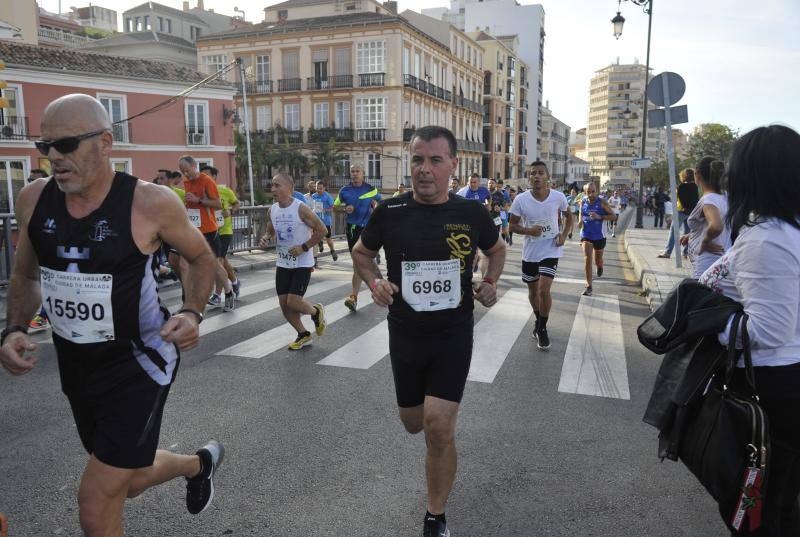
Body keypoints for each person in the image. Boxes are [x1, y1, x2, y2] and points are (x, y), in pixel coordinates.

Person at [0, 94, 224, 536]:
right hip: (78, 366)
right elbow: (25, 273)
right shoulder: (33, 199)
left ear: (105, 142)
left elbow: (201, 259)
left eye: (66, 144)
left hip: (140, 363)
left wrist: (193, 312)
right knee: (130, 479)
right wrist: (13, 329)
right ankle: (198, 465)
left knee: (96, 501)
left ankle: (195, 466)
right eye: (45, 146)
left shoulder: (149, 203)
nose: (53, 158)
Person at [352, 126, 505, 537]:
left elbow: (497, 250)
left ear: (453, 165)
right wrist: (374, 283)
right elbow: (361, 253)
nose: (425, 169)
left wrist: (490, 282)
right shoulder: (389, 212)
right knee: (414, 423)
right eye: (418, 159)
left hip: (452, 333)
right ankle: (440, 442)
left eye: (435, 160)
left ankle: (435, 514)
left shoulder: (471, 213)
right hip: (404, 333)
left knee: (439, 426)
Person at [697, 125, 800, 537]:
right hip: (783, 382)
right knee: (777, 505)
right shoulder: (786, 230)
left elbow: (770, 330)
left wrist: (711, 322)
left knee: (758, 512)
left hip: (768, 390)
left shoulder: (768, 240)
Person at [259, 174, 328, 350]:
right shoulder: (272, 209)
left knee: (293, 302)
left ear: (289, 188)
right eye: (272, 185)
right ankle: (303, 334)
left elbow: (322, 230)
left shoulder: (301, 209)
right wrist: (267, 237)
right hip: (283, 263)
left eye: (277, 185)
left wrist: (304, 247)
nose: (273, 189)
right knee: (284, 305)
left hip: (302, 263)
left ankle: (316, 311)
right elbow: (271, 227)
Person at [509, 161, 573, 349]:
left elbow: (569, 216)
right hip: (531, 252)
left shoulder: (558, 197)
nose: (536, 176)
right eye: (533, 173)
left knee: (544, 290)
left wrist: (563, 235)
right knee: (533, 291)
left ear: (547, 177)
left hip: (551, 249)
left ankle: (543, 329)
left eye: (540, 173)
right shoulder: (521, 199)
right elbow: (511, 225)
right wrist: (529, 231)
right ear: (529, 178)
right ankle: (538, 320)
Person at [178, 156, 235, 311]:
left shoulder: (207, 181)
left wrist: (199, 200)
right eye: (182, 172)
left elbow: (217, 205)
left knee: (215, 265)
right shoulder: (187, 182)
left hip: (209, 230)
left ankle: (229, 292)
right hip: (193, 230)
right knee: (183, 264)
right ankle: (187, 301)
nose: (185, 174)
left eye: (187, 171)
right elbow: (191, 204)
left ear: (194, 166)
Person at [334, 164, 381, 312]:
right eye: (352, 171)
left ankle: (355, 296)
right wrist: (344, 209)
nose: (354, 174)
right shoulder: (344, 191)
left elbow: (379, 202)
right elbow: (335, 207)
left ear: (363, 173)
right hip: (352, 229)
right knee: (358, 263)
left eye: (357, 171)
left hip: (368, 228)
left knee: (361, 261)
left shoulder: (371, 189)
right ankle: (375, 288)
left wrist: (375, 206)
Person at [680, 157, 730, 280]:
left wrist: (705, 242)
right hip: (723, 262)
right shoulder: (726, 197)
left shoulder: (709, 200)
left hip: (706, 265)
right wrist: (691, 236)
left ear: (697, 175)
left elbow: (717, 226)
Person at [200, 166, 241, 298]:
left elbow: (236, 203)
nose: (205, 179)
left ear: (214, 177)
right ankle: (235, 282)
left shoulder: (224, 191)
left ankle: (217, 294)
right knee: (223, 261)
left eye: (207, 176)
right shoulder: (200, 195)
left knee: (220, 261)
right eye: (202, 176)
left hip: (224, 231)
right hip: (210, 232)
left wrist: (231, 210)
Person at [26, 168, 52, 333]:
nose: (32, 184)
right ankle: (44, 315)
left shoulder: (55, 201)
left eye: (36, 180)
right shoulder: (30, 200)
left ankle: (44, 316)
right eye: (30, 180)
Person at [578, 182, 615, 296]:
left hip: (599, 236)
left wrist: (600, 217)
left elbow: (613, 216)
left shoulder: (602, 202)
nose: (591, 194)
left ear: (596, 191)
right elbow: (581, 211)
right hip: (586, 234)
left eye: (593, 191)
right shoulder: (583, 201)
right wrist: (580, 221)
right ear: (585, 192)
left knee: (597, 260)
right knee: (587, 259)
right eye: (588, 192)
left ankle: (600, 266)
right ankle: (589, 286)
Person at [659, 168, 698, 259]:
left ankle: (668, 252)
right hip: (691, 212)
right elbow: (696, 199)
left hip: (681, 211)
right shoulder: (695, 186)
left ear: (683, 176)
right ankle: (685, 253)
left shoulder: (681, 186)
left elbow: (679, 199)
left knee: (673, 231)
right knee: (688, 232)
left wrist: (684, 207)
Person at [311, 180, 338, 261]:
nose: (318, 190)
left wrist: (325, 210)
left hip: (326, 220)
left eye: (320, 188)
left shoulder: (327, 196)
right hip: (316, 220)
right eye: (317, 188)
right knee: (315, 236)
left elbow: (333, 207)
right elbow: (312, 206)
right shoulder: (314, 196)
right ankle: (318, 247)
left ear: (324, 188)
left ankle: (332, 250)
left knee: (328, 238)